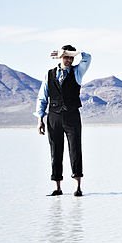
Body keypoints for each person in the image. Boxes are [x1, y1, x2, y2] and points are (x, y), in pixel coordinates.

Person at [35, 45, 92, 196]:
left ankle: (78, 187)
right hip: (54, 116)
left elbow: (88, 58)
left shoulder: (77, 72)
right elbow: (42, 96)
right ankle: (57, 187)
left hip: (72, 115)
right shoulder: (49, 74)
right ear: (60, 57)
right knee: (55, 150)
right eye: (66, 57)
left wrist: (75, 52)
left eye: (71, 57)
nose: (69, 60)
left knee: (75, 149)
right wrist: (40, 119)